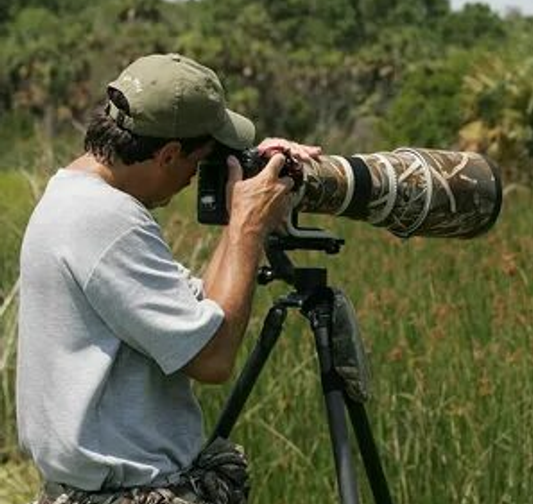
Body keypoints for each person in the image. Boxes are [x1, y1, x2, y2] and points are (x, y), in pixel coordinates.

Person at [16, 53, 321, 504]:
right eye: (200, 162)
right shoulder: (106, 218)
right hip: (127, 492)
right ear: (169, 154)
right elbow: (212, 358)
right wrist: (247, 226)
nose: (196, 177)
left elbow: (202, 311)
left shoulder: (71, 195)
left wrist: (250, 175)